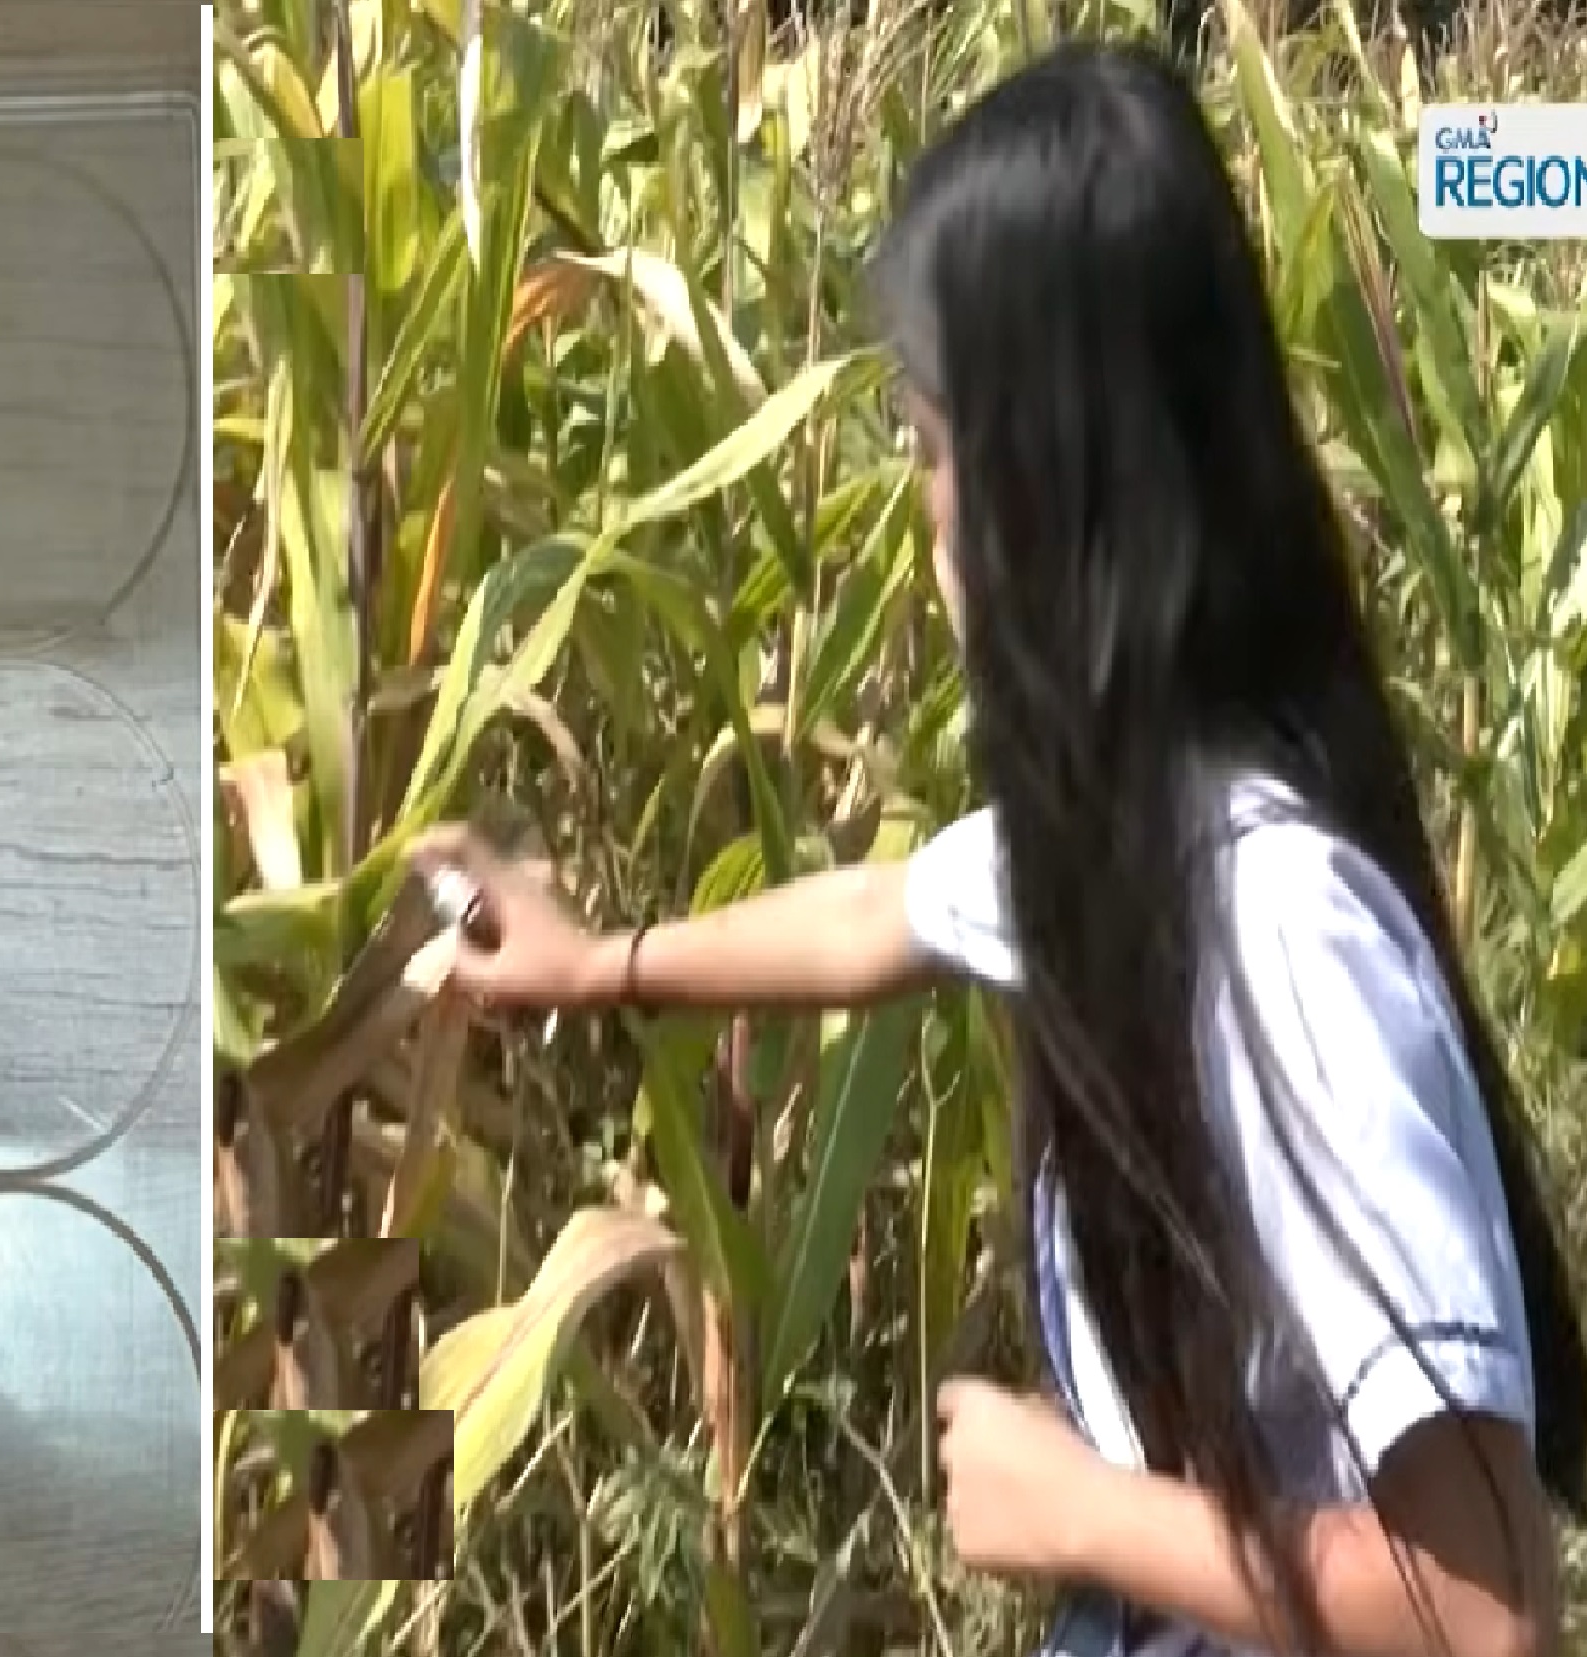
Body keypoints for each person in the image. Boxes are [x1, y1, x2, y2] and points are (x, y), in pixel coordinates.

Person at [410, 39, 1581, 1657]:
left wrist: (1085, 1513)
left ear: (1051, 482)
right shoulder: (1124, 847)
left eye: (932, 446)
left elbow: (1480, 1610)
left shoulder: (1276, 941)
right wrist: (595, 961)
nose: (923, 509)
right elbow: (880, 916)